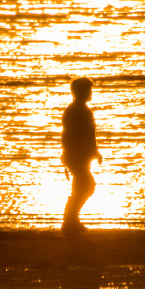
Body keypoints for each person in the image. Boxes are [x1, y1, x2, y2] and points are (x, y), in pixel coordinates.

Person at [61, 77, 102, 234]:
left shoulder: (79, 110)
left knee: (82, 186)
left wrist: (95, 152)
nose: (90, 93)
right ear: (81, 92)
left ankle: (71, 220)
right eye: (88, 90)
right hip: (76, 154)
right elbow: (71, 135)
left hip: (80, 155)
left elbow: (90, 135)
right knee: (86, 185)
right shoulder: (77, 111)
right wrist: (68, 154)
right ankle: (69, 220)